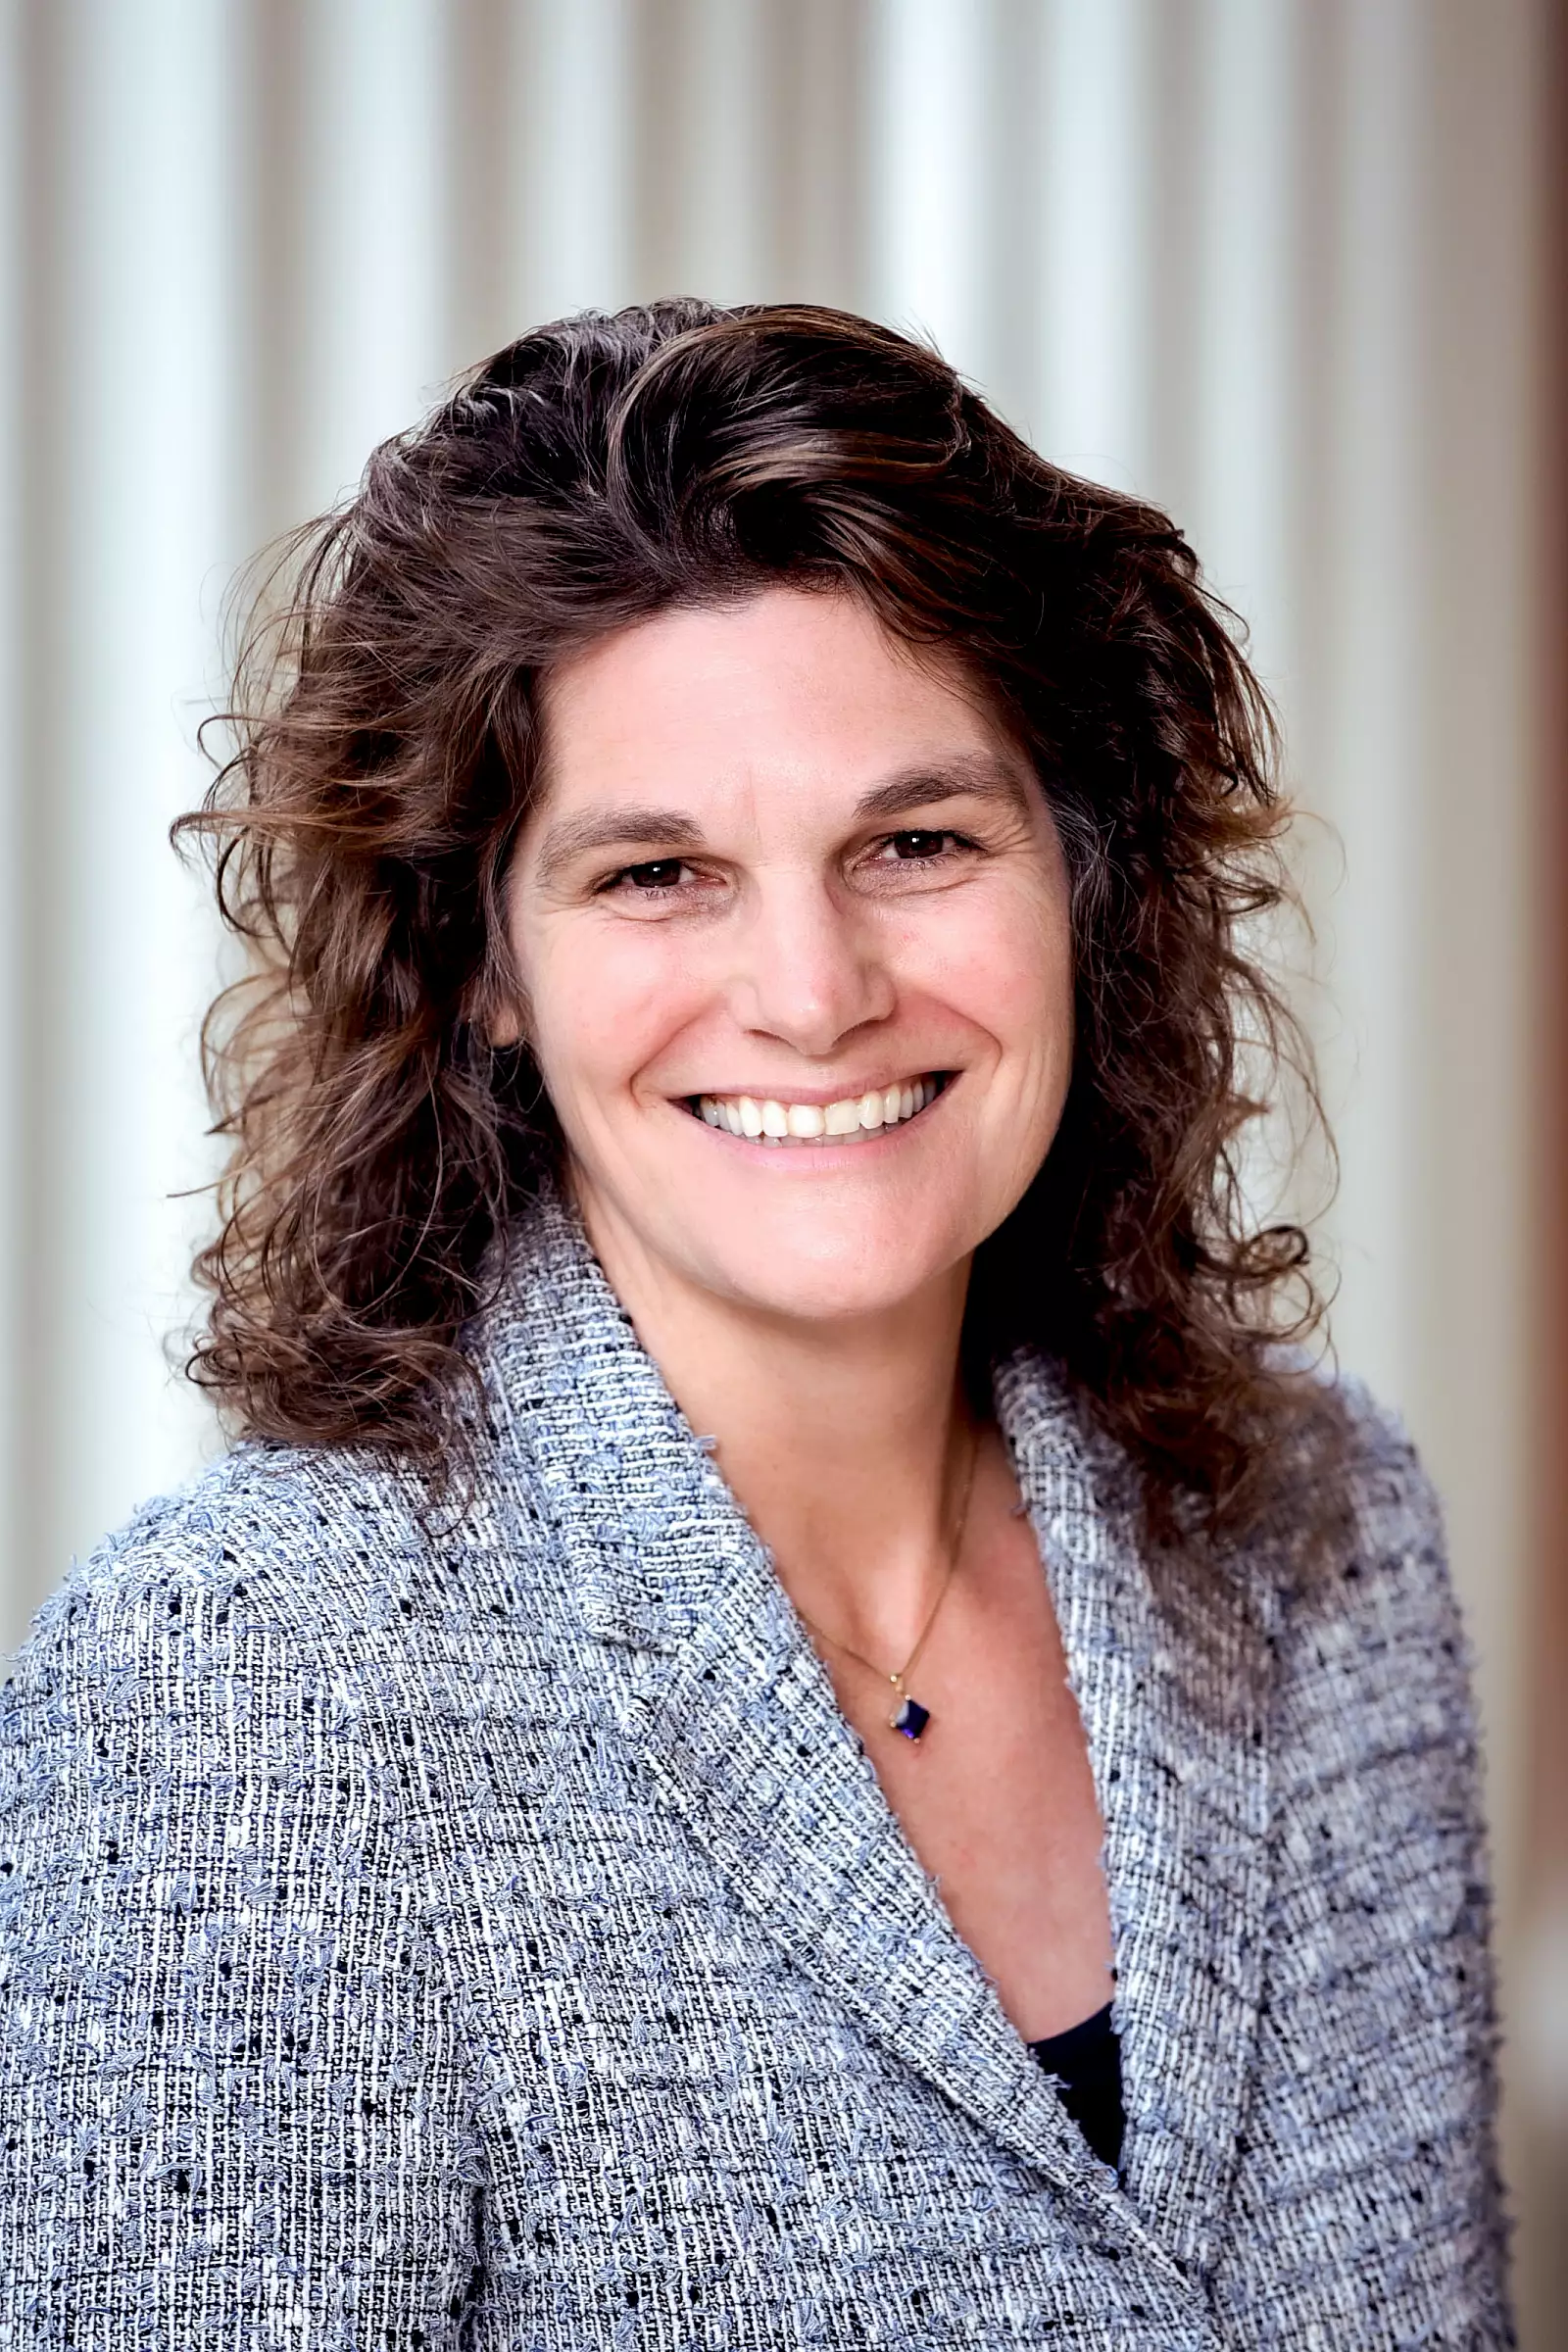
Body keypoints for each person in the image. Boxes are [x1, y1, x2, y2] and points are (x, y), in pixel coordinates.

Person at [0, 303, 1514, 2346]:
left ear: (1079, 885)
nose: (810, 990)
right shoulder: (250, 1686)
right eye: (656, 873)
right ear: (480, 964)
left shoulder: (1318, 1533)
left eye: (914, 842)